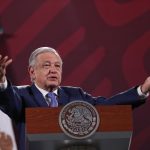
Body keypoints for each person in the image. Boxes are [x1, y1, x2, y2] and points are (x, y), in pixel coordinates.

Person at [0, 47, 150, 150]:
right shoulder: (21, 95)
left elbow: (107, 106)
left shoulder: (75, 95)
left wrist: (142, 90)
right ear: (32, 72)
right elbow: (9, 101)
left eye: (57, 66)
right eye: (47, 65)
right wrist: (1, 81)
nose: (53, 70)